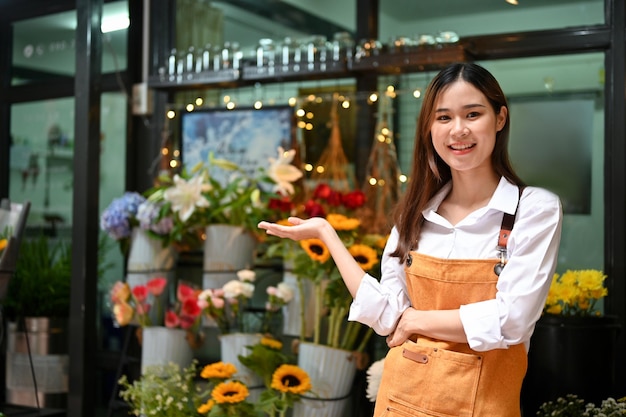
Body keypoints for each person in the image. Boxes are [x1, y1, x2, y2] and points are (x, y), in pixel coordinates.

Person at [258, 62, 562, 417]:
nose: (458, 130)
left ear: (499, 118)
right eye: (443, 118)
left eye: (473, 114)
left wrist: (417, 321)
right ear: (429, 128)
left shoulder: (533, 210)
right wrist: (327, 234)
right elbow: (388, 315)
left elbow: (512, 320)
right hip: (400, 402)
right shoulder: (413, 215)